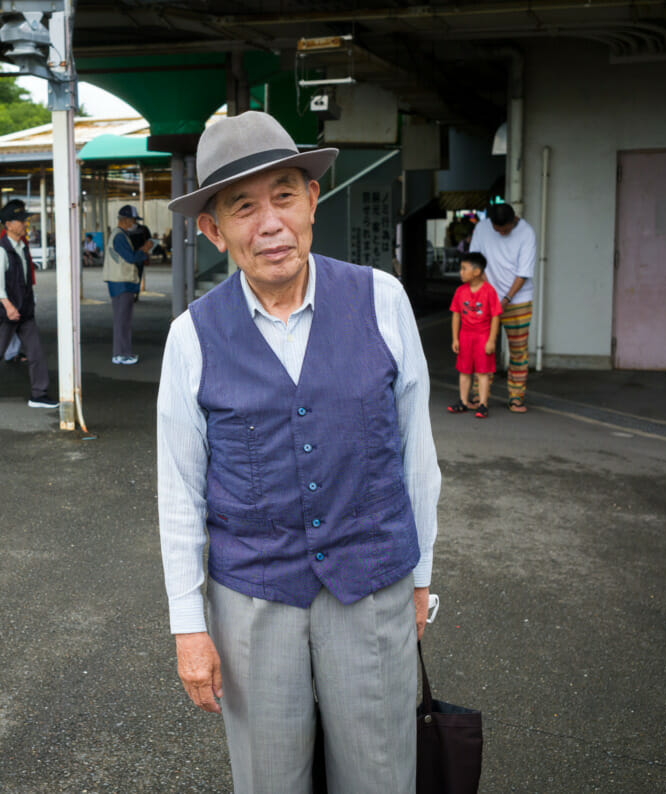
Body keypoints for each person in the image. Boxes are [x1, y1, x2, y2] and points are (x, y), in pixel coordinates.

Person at [157, 111, 440, 793]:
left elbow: (417, 457)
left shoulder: (382, 300)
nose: (270, 224)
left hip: (371, 584)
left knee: (380, 775)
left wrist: (422, 579)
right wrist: (188, 627)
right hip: (254, 600)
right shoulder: (192, 336)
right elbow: (179, 491)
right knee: (269, 780)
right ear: (213, 229)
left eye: (284, 195)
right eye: (242, 207)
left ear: (314, 199)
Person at [0, 199, 57, 410]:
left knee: (36, 352)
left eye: (25, 220)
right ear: (9, 225)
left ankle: (39, 394)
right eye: (21, 221)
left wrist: (28, 302)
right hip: (7, 311)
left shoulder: (22, 247)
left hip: (24, 310)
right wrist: (9, 307)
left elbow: (24, 279)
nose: (25, 224)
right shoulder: (1, 251)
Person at [469, 202, 536, 412]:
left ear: (513, 220)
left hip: (518, 300)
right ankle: (479, 396)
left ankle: (516, 397)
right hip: (486, 299)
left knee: (518, 351)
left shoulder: (527, 233)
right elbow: (476, 263)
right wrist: (489, 294)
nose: (501, 233)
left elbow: (523, 273)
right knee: (482, 349)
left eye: (505, 230)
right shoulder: (482, 229)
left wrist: (505, 299)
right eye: (497, 230)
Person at [447, 252, 501, 419]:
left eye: (464, 268)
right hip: (465, 336)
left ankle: (483, 404)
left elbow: (495, 316)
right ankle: (463, 402)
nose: (460, 272)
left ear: (477, 272)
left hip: (483, 336)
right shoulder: (460, 291)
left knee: (482, 372)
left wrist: (492, 340)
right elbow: (456, 314)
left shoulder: (489, 291)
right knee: (464, 371)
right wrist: (455, 338)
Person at [104, 205, 152, 365]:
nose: (135, 224)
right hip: (122, 283)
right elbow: (131, 258)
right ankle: (121, 354)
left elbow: (126, 256)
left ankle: (120, 353)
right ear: (125, 220)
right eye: (133, 220)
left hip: (119, 283)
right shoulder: (119, 237)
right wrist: (144, 250)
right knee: (123, 321)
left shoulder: (119, 235)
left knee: (121, 320)